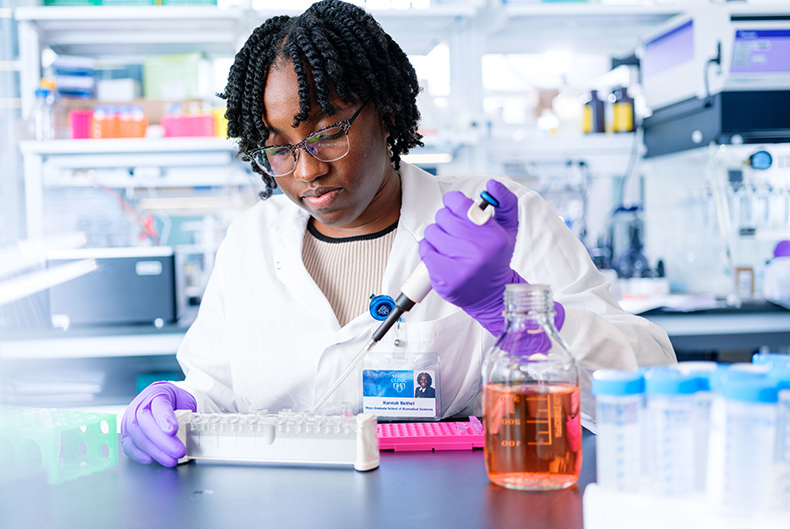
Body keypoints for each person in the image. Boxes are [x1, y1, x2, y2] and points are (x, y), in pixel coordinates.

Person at [121, 0, 676, 467]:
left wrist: (512, 310)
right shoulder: (250, 241)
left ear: (385, 113)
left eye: (327, 133)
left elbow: (652, 381)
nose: (307, 170)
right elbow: (216, 392)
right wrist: (176, 402)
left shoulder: (497, 220)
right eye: (280, 148)